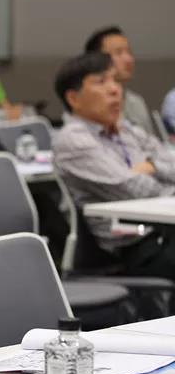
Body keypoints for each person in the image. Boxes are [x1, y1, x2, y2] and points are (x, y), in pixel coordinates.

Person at [53, 52, 175, 281]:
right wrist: (160, 175)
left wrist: (152, 166)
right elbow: (134, 190)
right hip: (133, 248)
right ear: (73, 98)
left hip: (164, 233)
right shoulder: (73, 140)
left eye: (116, 81)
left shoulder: (126, 130)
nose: (115, 90)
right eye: (101, 82)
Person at [84, 26, 165, 141]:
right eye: (119, 53)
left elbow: (150, 144)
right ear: (96, 60)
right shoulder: (87, 104)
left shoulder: (136, 102)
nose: (129, 59)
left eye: (129, 52)